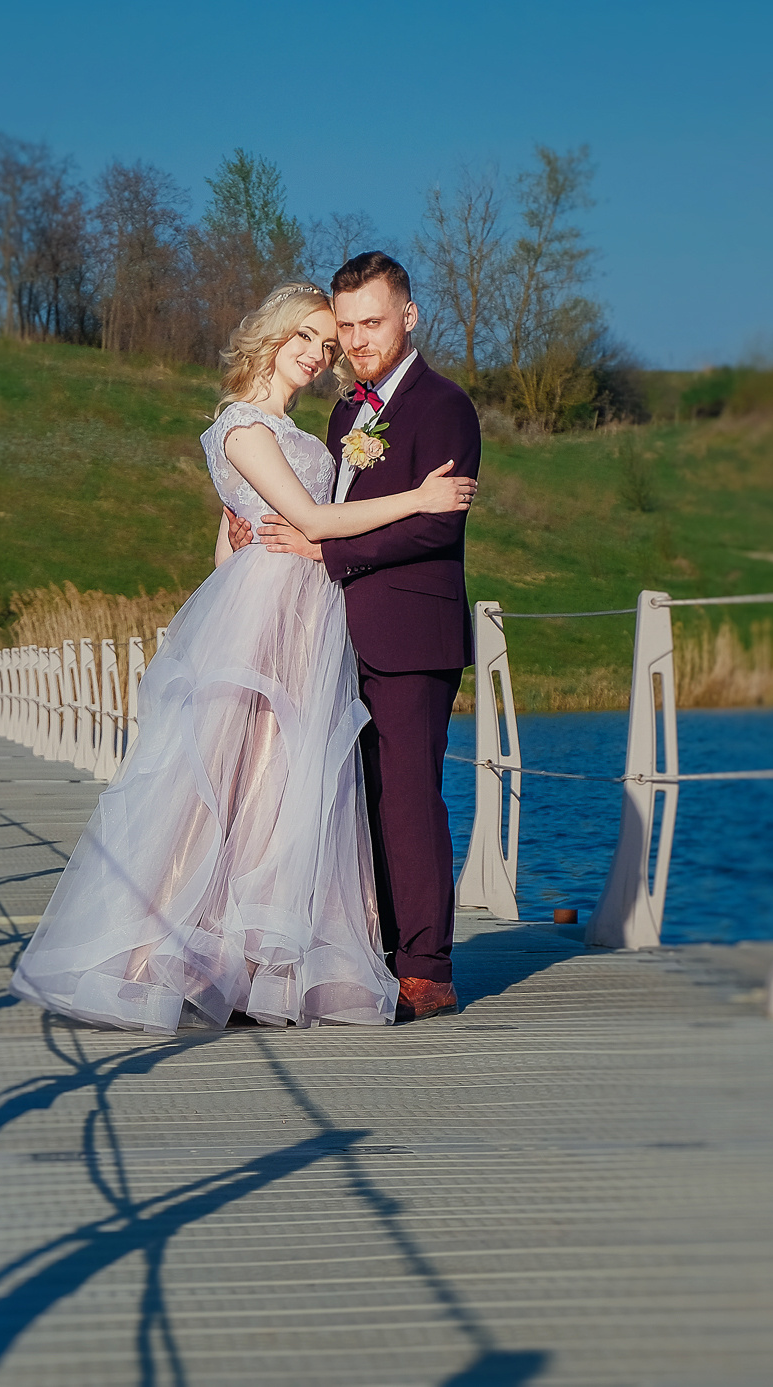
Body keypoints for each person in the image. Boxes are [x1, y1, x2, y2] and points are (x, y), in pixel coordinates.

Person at [7, 280, 476, 1032]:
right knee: (237, 779)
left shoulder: (313, 424)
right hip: (272, 615)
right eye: (308, 338)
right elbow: (312, 518)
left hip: (306, 616)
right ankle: (173, 955)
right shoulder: (244, 425)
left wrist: (243, 540)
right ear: (270, 335)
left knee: (282, 783)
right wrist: (418, 500)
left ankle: (259, 963)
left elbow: (228, 546)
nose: (320, 356)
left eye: (328, 346)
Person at [244, 251, 482, 1022]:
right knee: (355, 798)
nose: (356, 340)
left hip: (414, 632)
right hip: (339, 634)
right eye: (345, 327)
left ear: (409, 317)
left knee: (408, 798)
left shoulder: (445, 407)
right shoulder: (347, 412)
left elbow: (435, 524)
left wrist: (326, 550)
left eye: (371, 322)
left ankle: (427, 971)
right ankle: (372, 954)